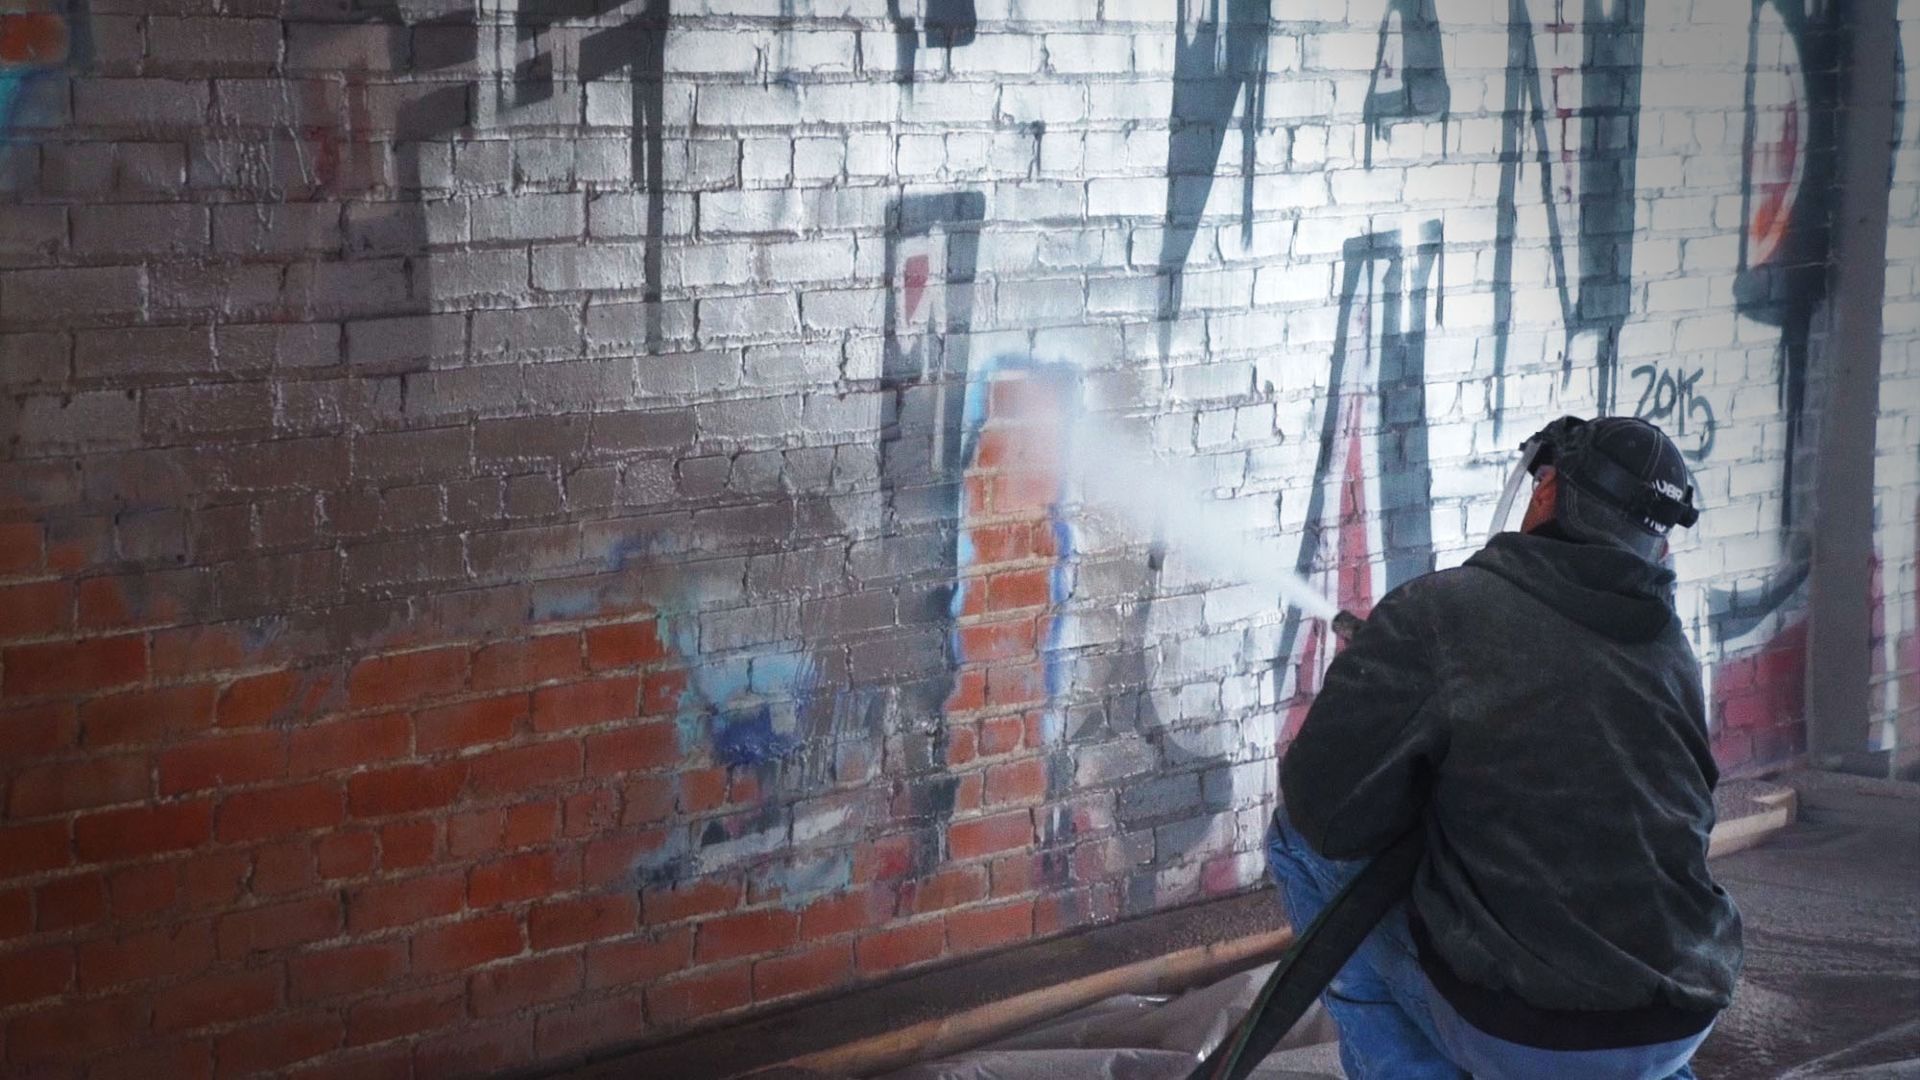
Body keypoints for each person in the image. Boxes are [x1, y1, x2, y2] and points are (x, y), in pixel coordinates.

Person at [1270, 415, 1742, 1080]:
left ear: (1545, 490)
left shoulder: (1442, 611)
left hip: (1525, 1032)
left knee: (1296, 844)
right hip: (1678, 1020)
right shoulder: (1669, 648)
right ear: (1654, 540)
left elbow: (1327, 813)